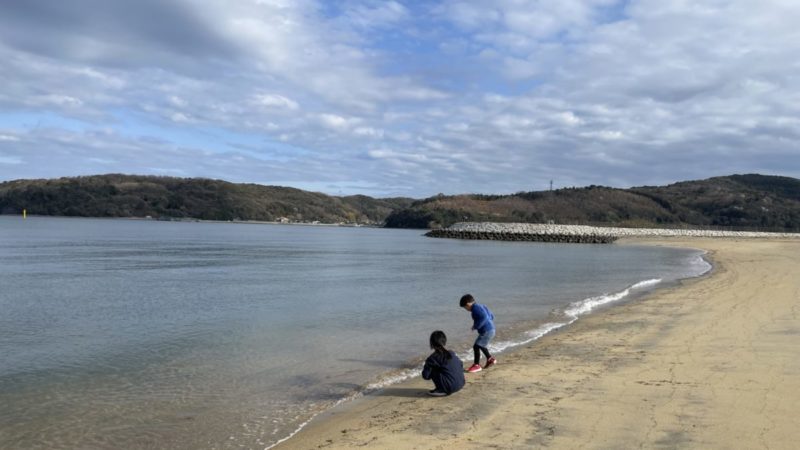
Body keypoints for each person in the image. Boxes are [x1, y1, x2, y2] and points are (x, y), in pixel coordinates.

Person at [459, 293, 496, 373]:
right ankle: (490, 359)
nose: (466, 310)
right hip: (491, 329)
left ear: (468, 304)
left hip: (487, 330)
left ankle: (476, 365)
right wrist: (487, 324)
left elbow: (484, 317)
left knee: (476, 346)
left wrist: (476, 326)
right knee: (481, 345)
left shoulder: (475, 308)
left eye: (465, 308)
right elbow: (491, 316)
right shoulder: (482, 306)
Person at [421, 330, 465, 396]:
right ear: (444, 341)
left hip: (450, 388)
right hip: (461, 383)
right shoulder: (451, 353)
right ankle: (446, 385)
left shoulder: (432, 358)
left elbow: (425, 376)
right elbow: (461, 364)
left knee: (433, 369)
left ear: (432, 344)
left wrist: (427, 366)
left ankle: (441, 389)